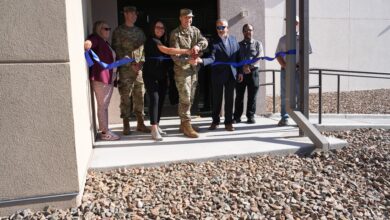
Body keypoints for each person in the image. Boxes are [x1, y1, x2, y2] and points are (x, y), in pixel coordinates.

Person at [143, 20, 192, 141]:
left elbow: (169, 58)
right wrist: (186, 51)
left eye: (162, 28)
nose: (160, 29)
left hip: (162, 77)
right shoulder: (152, 41)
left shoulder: (163, 41)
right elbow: (168, 50)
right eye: (157, 27)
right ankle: (153, 129)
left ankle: (157, 125)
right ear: (152, 29)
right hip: (150, 76)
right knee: (154, 99)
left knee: (159, 101)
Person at [194, 19, 240, 131]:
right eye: (218, 27)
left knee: (229, 100)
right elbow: (212, 58)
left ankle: (228, 122)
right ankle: (215, 121)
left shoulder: (234, 40)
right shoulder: (213, 41)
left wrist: (241, 72)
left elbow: (238, 57)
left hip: (231, 74)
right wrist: (202, 61)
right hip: (217, 75)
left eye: (223, 27)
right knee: (216, 100)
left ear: (227, 28)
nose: (220, 30)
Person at [169, 8, 208, 138]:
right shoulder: (175, 34)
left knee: (190, 99)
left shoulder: (195, 31)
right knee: (185, 98)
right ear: (180, 18)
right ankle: (187, 125)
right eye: (186, 17)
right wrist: (188, 60)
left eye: (190, 17)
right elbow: (174, 55)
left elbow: (205, 41)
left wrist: (198, 46)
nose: (188, 20)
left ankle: (183, 123)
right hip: (182, 72)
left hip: (193, 71)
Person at [112, 6, 150, 135]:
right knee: (125, 97)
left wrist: (140, 64)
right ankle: (126, 124)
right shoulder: (119, 31)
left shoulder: (139, 31)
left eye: (135, 14)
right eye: (132, 13)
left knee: (140, 96)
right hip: (125, 70)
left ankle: (140, 123)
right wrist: (131, 63)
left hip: (138, 70)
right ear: (126, 14)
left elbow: (143, 50)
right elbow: (117, 50)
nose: (134, 16)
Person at [84, 21, 120, 141]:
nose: (108, 30)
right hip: (101, 78)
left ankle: (106, 128)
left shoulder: (105, 42)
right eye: (106, 28)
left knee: (104, 105)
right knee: (103, 105)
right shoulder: (96, 39)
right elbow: (90, 42)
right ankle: (105, 132)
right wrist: (88, 43)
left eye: (109, 28)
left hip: (109, 77)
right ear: (99, 29)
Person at [276, 16, 312, 126]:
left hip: (298, 72)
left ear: (297, 23)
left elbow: (306, 54)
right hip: (285, 72)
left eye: (293, 22)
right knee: (285, 95)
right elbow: (278, 55)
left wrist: (298, 65)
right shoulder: (282, 39)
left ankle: (301, 119)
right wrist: (285, 66)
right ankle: (284, 117)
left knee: (299, 94)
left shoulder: (303, 38)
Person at [233, 24, 264, 124]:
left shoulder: (258, 44)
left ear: (253, 31)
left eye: (250, 30)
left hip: (253, 73)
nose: (248, 32)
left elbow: (259, 57)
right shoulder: (238, 45)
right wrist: (242, 69)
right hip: (241, 73)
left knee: (252, 96)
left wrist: (248, 66)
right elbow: (236, 59)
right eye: (246, 30)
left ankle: (250, 116)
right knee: (239, 96)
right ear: (243, 32)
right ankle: (237, 117)